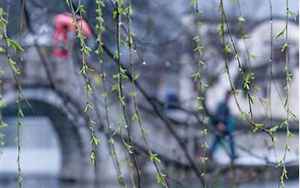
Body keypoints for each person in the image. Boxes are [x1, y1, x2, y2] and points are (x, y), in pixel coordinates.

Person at [208, 90, 237, 161]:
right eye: (229, 96)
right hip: (221, 126)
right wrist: (219, 124)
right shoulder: (222, 105)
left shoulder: (226, 106)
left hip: (224, 127)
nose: (229, 98)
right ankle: (210, 154)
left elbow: (226, 117)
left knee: (227, 139)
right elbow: (218, 116)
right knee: (218, 140)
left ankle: (232, 155)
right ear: (226, 96)